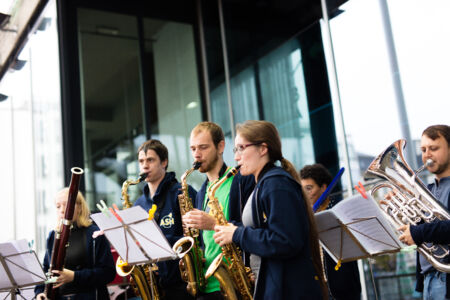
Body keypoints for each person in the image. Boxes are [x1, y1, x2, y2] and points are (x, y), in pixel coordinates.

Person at [212, 120, 326, 300]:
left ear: (263, 149)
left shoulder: (276, 185)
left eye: (241, 148)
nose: (236, 157)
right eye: (236, 150)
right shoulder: (265, 184)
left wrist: (237, 234)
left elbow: (286, 240)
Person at [182, 121, 255, 300]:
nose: (196, 155)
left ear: (220, 146)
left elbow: (253, 230)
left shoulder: (241, 180)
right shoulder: (200, 194)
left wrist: (214, 224)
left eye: (203, 147)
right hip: (208, 284)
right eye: (193, 149)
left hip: (238, 282)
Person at [133, 139, 197, 300]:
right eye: (141, 161)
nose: (144, 166)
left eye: (150, 160)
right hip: (155, 285)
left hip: (184, 283)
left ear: (164, 162)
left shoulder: (181, 193)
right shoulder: (138, 204)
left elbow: (195, 238)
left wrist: (158, 243)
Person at [395, 125, 450, 300]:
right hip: (429, 280)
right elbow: (417, 232)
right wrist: (398, 207)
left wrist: (418, 232)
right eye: (424, 149)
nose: (427, 154)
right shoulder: (428, 190)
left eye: (434, 148)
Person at [35, 188, 115, 300]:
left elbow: (108, 273)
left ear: (79, 207)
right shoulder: (53, 235)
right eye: (58, 206)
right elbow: (46, 270)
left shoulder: (95, 233)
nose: (62, 210)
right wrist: (39, 292)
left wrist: (74, 276)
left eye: (66, 204)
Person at [300, 163, 361, 300]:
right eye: (302, 190)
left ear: (323, 188)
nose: (305, 194)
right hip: (315, 288)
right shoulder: (302, 215)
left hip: (342, 287)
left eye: (309, 188)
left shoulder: (339, 210)